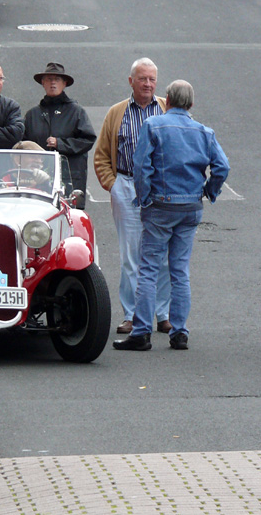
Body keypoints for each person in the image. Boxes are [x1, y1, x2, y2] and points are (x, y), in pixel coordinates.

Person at [113, 80, 229, 351]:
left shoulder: (153, 125)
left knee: (149, 269)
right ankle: (179, 331)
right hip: (190, 206)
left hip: (160, 206)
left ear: (168, 99)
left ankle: (141, 332)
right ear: (191, 103)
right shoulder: (205, 132)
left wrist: (144, 198)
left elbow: (141, 165)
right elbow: (222, 167)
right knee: (179, 270)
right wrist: (208, 191)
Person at [93, 57, 172, 335]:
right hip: (126, 186)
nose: (148, 84)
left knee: (161, 254)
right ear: (131, 81)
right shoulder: (117, 112)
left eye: (152, 79)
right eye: (142, 79)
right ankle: (132, 315)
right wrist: (113, 185)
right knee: (130, 256)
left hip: (161, 190)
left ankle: (162, 314)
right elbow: (101, 155)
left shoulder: (167, 108)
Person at [22, 62, 96, 207]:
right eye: (49, 79)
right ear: (43, 83)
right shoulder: (32, 114)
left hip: (69, 179)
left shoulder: (76, 112)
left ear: (64, 83)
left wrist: (60, 144)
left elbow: (88, 140)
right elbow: (23, 145)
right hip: (38, 180)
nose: (53, 82)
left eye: (57, 79)